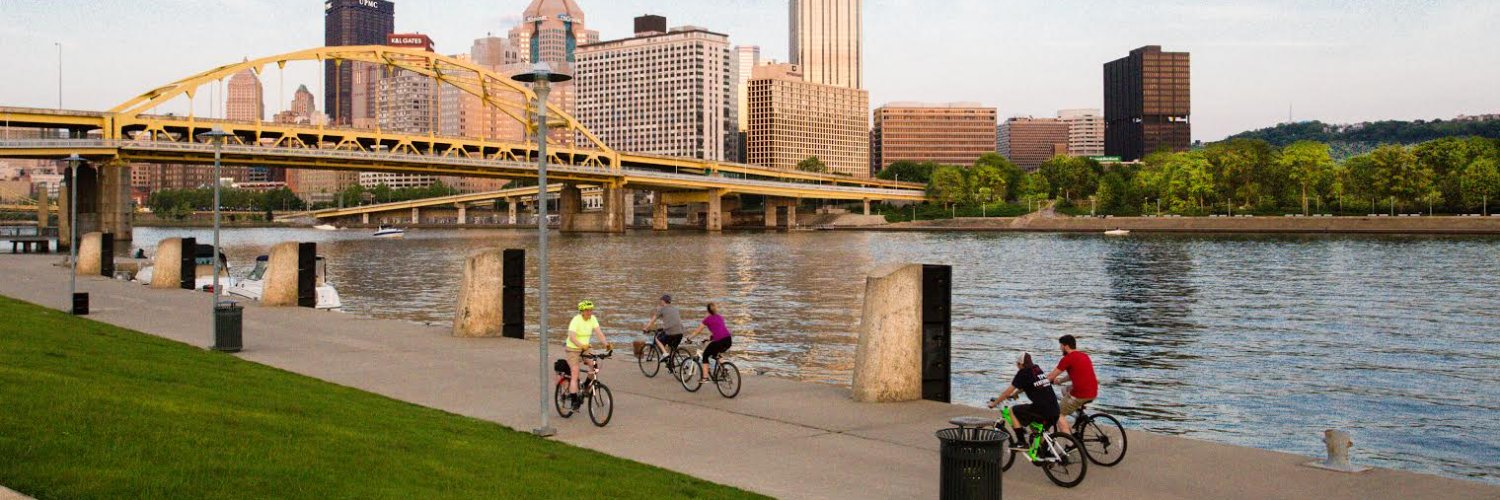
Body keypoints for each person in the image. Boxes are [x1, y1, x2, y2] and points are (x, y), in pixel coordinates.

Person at [989, 351, 1060, 455]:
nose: (1017, 366)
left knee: (1012, 410)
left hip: (1042, 410)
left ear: (1020, 364)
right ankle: (1046, 453)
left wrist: (994, 403)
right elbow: (1031, 384)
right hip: (1055, 410)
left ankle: (1021, 442)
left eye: (1017, 364)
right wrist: (1016, 393)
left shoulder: (1023, 373)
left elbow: (1007, 391)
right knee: (1035, 428)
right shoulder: (1037, 369)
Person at [1045, 334, 1097, 434]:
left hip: (1081, 394)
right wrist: (1059, 381)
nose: (1060, 348)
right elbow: (1072, 375)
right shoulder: (1083, 355)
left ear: (1066, 346)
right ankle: (1079, 415)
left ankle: (1070, 442)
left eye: (1061, 346)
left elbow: (1051, 376)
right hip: (1093, 391)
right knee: (1064, 390)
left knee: (1058, 414)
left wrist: (1039, 383)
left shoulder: (1067, 358)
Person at [565, 300, 612, 409]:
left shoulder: (593, 319)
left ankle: (586, 385)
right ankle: (573, 401)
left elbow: (599, 333)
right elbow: (572, 336)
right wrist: (581, 345)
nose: (590, 312)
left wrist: (606, 345)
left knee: (594, 365)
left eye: (591, 310)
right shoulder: (576, 320)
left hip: (586, 347)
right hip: (573, 348)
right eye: (587, 310)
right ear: (582, 311)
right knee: (575, 372)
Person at [687, 302, 732, 383]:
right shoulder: (720, 317)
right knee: (716, 353)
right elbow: (719, 330)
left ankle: (705, 378)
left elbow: (697, 331)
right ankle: (724, 369)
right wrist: (710, 338)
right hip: (728, 339)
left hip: (720, 340)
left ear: (707, 310)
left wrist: (689, 338)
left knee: (705, 355)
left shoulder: (707, 319)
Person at [642, 294, 684, 365]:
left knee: (657, 339)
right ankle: (672, 364)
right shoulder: (675, 308)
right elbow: (673, 321)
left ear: (663, 301)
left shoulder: (661, 309)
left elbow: (652, 320)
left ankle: (664, 354)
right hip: (680, 332)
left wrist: (646, 328)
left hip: (670, 332)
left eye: (661, 301)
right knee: (672, 348)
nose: (660, 302)